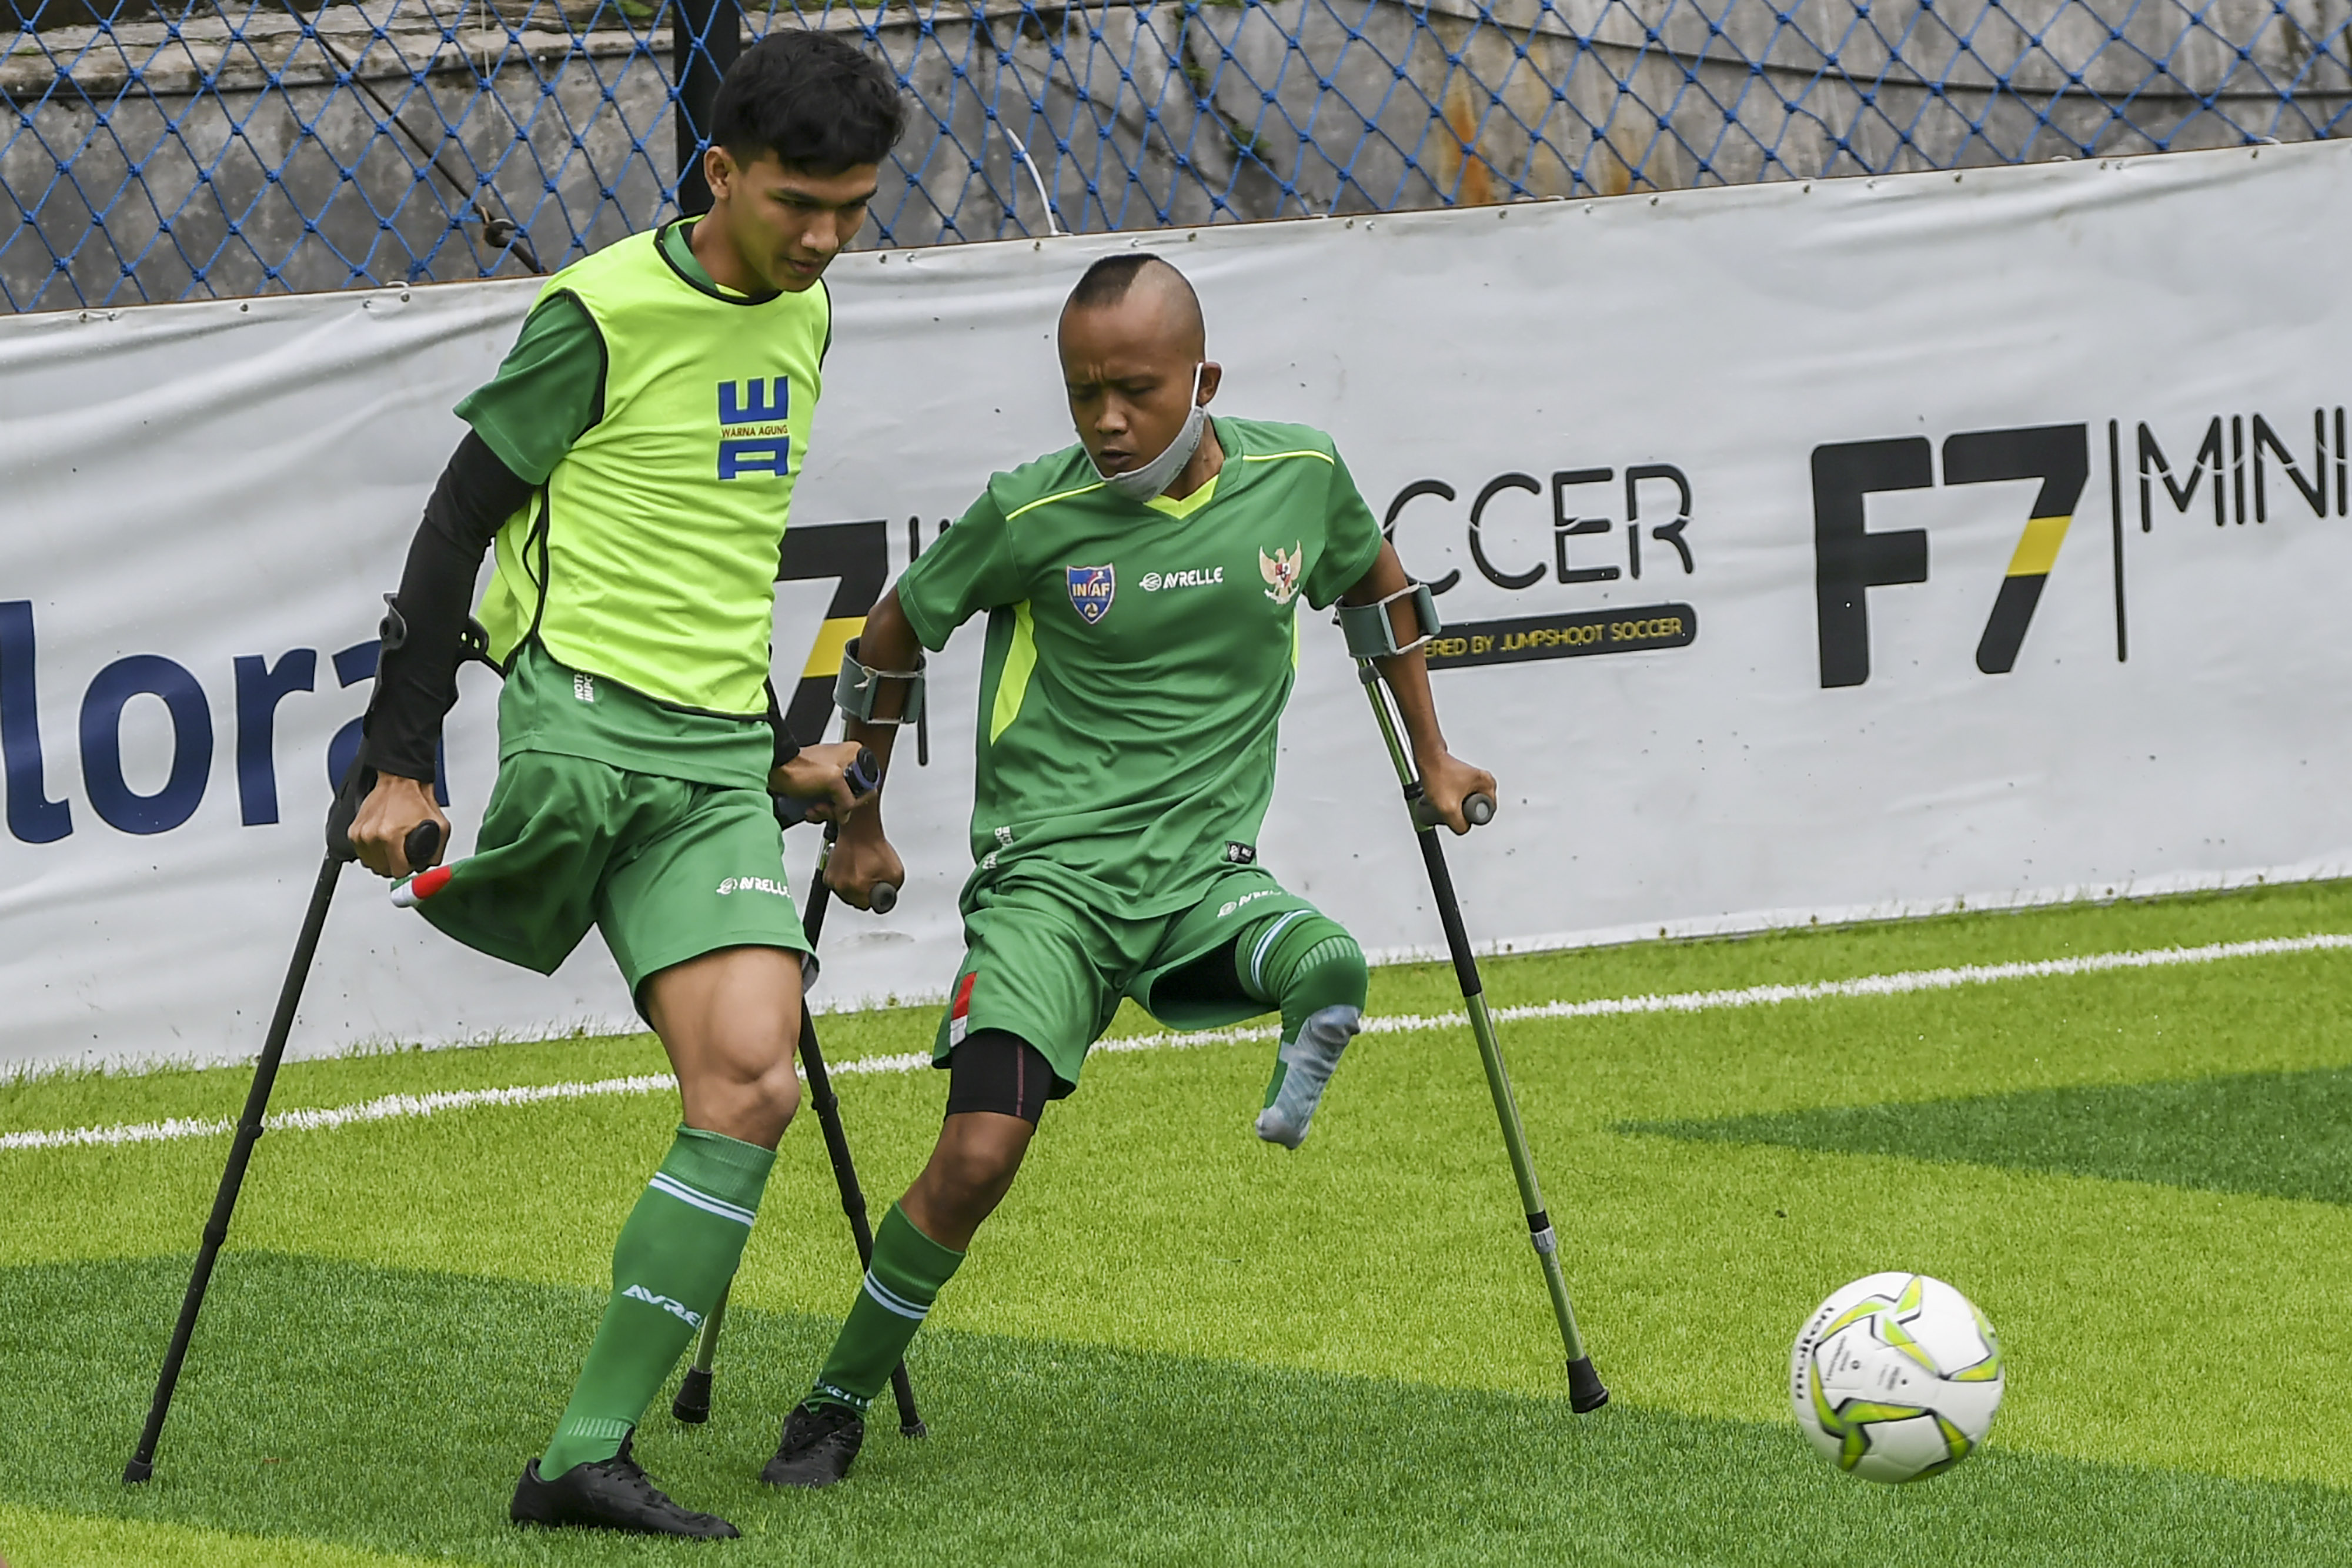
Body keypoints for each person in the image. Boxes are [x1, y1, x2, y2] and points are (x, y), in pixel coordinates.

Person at [759, 252, 1496, 1488]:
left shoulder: (1299, 475)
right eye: (1081, 392)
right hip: (1046, 887)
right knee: (980, 1153)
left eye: (1136, 391)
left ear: (1203, 380)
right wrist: (862, 823)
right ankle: (833, 1399)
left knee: (1332, 957)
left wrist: (1433, 754)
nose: (1106, 421)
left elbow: (1378, 589)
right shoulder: (1031, 513)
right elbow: (892, 634)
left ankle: (1303, 1037)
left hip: (1203, 871)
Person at [344, 31, 905, 1539]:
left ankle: (580, 1457)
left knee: (753, 1080)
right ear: (721, 174)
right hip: (583, 728)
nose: (828, 237)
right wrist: (401, 757)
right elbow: (455, 527)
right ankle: (464, 857)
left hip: (716, 754)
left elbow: (719, 554)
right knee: (732, 1052)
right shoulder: (595, 314)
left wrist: (774, 737)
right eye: (801, 203)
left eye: (854, 208)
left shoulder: (809, 314)